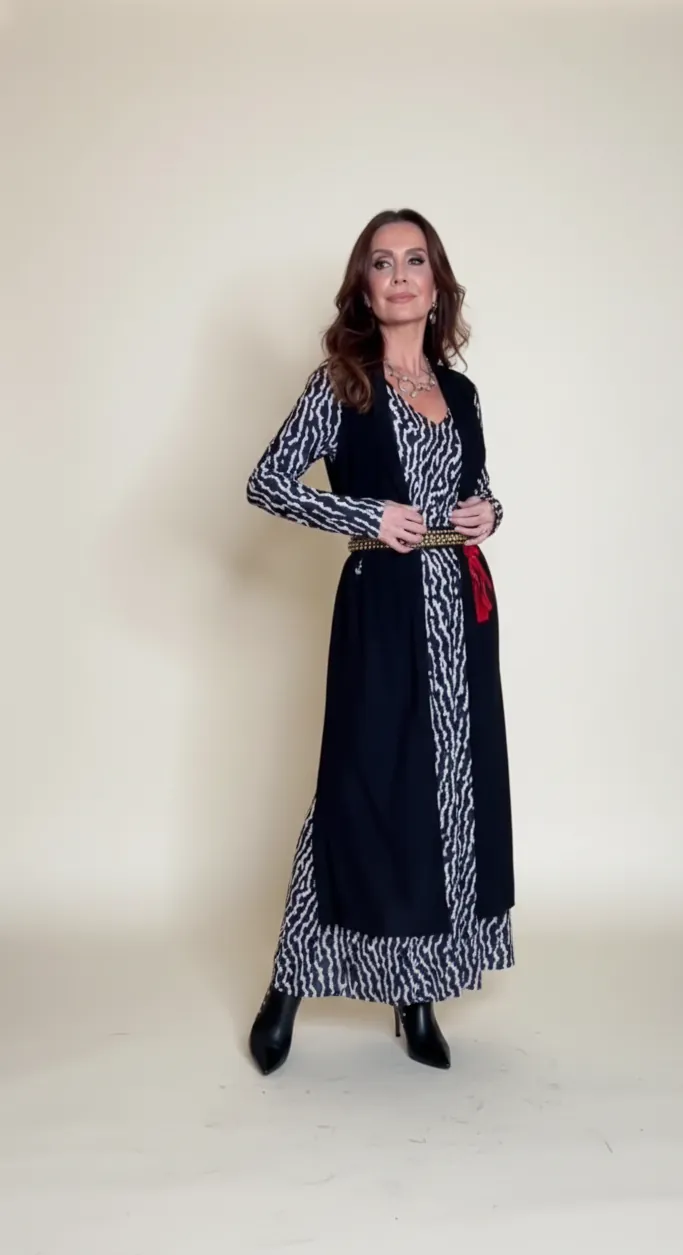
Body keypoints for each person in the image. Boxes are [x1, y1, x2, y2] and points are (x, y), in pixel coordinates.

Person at [246, 208, 515, 1073]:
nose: (399, 276)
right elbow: (267, 482)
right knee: (360, 792)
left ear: (437, 285)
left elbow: (478, 488)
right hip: (383, 608)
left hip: (461, 612)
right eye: (381, 263)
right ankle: (289, 983)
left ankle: (417, 993)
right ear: (364, 289)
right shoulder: (342, 384)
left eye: (415, 261)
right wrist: (363, 514)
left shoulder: (461, 392)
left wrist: (489, 513)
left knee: (445, 793)